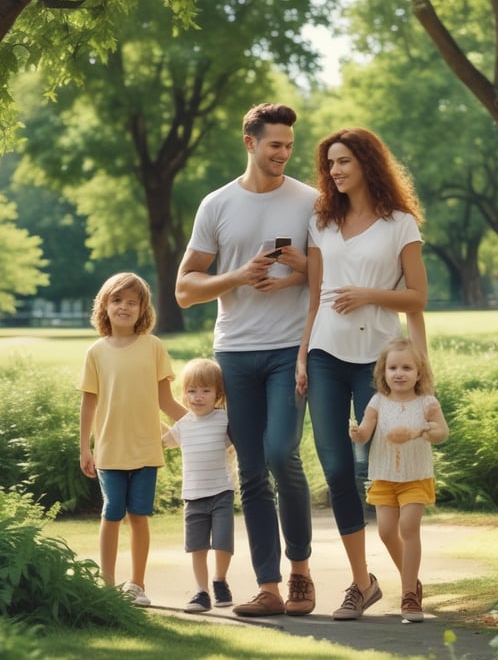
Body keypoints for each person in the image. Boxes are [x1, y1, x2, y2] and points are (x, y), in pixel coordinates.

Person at [175, 103, 316, 617]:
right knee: (253, 470)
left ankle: (300, 571)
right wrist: (237, 276)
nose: (283, 153)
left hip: (288, 349)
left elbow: (330, 273)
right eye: (274, 144)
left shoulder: (310, 201)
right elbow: (185, 289)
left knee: (282, 453)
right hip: (234, 349)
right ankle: (269, 586)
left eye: (288, 145)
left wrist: (296, 273)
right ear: (250, 142)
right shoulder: (216, 205)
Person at [295, 127, 429, 620]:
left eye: (344, 161)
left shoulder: (400, 225)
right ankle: (361, 583)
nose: (334, 171)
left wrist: (370, 294)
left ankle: (410, 584)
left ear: (368, 163)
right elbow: (315, 296)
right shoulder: (321, 222)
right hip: (327, 354)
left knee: (370, 471)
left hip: (376, 363)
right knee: (335, 472)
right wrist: (303, 354)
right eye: (330, 163)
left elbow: (418, 297)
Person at [79, 272, 187, 606]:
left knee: (138, 516)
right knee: (112, 512)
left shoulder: (153, 347)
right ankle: (106, 585)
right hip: (109, 449)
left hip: (146, 447)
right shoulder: (96, 352)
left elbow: (166, 402)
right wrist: (84, 447)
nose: (124, 307)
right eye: (117, 300)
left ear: (143, 309)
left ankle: (137, 585)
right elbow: (89, 402)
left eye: (131, 302)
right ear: (104, 306)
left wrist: (206, 424)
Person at [349, 336, 448, 622]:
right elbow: (366, 431)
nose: (399, 373)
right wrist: (358, 434)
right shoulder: (378, 401)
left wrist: (429, 429)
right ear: (383, 373)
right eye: (393, 368)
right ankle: (413, 581)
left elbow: (443, 432)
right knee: (385, 532)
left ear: (419, 373)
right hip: (383, 476)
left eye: (406, 367)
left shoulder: (427, 402)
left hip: (416, 476)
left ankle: (409, 596)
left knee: (408, 527)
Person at [162, 358, 236, 614]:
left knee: (223, 542)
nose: (198, 397)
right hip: (193, 496)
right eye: (192, 390)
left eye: (206, 390)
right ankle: (201, 591)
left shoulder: (223, 419)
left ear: (218, 394)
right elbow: (164, 442)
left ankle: (220, 580)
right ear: (184, 395)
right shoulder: (183, 425)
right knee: (197, 546)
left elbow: (238, 441)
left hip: (222, 492)